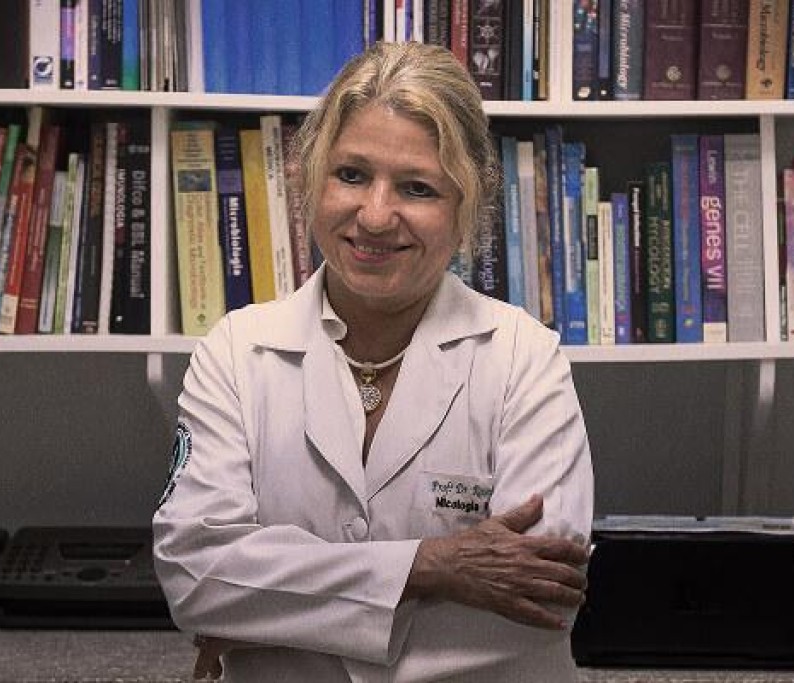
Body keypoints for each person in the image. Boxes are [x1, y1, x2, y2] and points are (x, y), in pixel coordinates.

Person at [153, 40, 594, 682]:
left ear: (465, 207)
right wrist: (437, 566)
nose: (377, 215)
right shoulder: (237, 353)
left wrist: (266, 611)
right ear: (312, 179)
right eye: (352, 175)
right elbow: (195, 577)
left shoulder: (525, 358)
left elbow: (538, 598)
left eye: (417, 187)